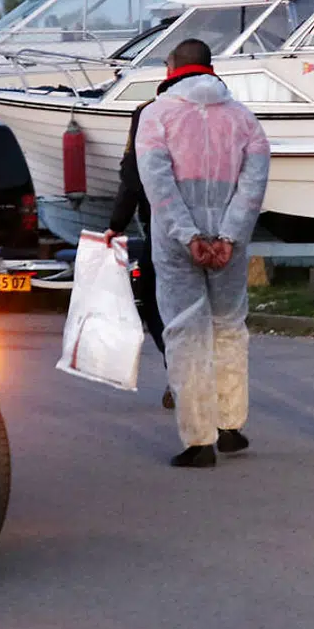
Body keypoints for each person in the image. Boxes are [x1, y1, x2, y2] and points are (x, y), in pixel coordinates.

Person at [135, 39, 270, 468]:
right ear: (210, 68)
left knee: (185, 331)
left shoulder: (156, 116)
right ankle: (231, 425)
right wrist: (229, 235)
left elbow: (157, 184)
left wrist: (188, 234)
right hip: (231, 237)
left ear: (172, 66)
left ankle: (198, 440)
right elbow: (254, 182)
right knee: (229, 325)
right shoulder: (244, 119)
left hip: (178, 242)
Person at [104, 89, 173, 411]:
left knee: (152, 296)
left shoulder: (149, 111)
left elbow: (132, 175)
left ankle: (179, 366)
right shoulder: (224, 110)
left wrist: (117, 223)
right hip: (217, 226)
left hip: (164, 228)